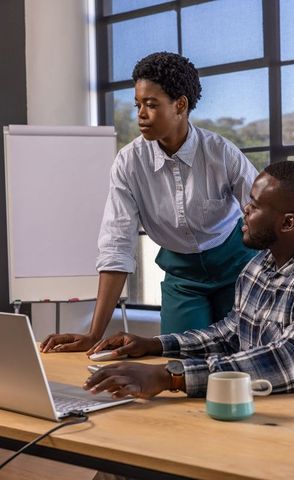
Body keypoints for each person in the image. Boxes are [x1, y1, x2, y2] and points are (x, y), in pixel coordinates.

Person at [40, 51, 257, 354]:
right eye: (138, 104)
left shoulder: (221, 153)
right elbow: (117, 245)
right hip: (183, 278)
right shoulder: (129, 163)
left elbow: (263, 214)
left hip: (237, 267)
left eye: (151, 105)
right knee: (178, 361)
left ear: (180, 105)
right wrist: (93, 334)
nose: (140, 114)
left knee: (247, 355)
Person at [83, 161, 294, 399]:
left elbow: (288, 362)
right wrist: (153, 344)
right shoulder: (258, 266)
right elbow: (230, 334)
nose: (244, 210)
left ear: (288, 223)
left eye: (255, 206)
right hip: (255, 410)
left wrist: (169, 376)